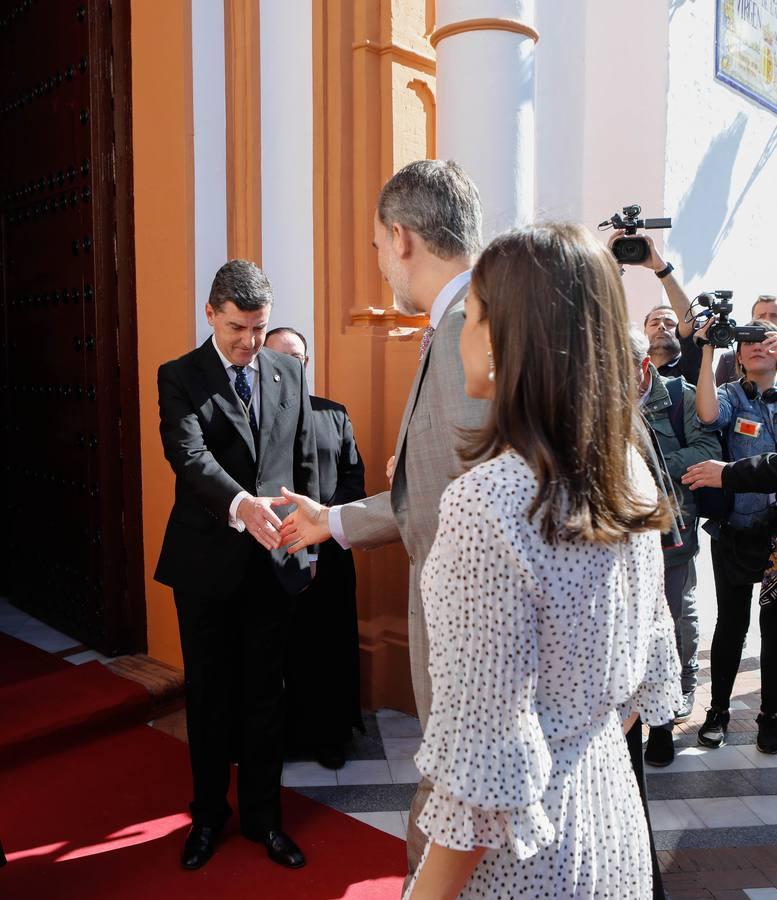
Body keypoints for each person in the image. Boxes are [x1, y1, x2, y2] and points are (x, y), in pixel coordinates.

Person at [392, 223, 678, 898]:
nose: (459, 329)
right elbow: (642, 682)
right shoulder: (628, 470)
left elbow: (482, 785)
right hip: (612, 828)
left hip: (528, 861)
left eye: (473, 314)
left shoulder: (487, 503)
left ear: (500, 340)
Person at [271, 159, 489, 881]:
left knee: (451, 802)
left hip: (468, 624)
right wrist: (332, 520)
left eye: (373, 244)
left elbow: (458, 493)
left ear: (400, 238)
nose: (377, 261)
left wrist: (332, 521)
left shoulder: (467, 331)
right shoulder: (470, 318)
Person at [155, 260, 319, 870]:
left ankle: (265, 819)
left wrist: (310, 539)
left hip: (274, 563)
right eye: (237, 329)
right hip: (206, 567)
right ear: (210, 313)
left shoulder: (285, 370)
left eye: (258, 328)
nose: (249, 343)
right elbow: (188, 457)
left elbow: (303, 461)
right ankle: (206, 818)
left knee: (264, 698)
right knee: (209, 698)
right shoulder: (180, 376)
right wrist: (240, 504)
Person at [264, 326, 366, 770]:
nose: (289, 366)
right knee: (276, 651)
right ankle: (278, 738)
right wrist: (288, 539)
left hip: (331, 553)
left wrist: (322, 528)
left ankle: (330, 737)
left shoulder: (335, 415)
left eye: (297, 358)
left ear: (306, 364)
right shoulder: (253, 422)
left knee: (328, 648)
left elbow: (353, 480)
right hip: (273, 554)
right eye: (279, 358)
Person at [685, 316, 777, 754]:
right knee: (732, 624)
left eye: (767, 339)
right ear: (737, 354)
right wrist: (705, 348)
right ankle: (718, 710)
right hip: (735, 531)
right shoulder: (731, 395)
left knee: (776, 626)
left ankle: (770, 715)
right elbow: (706, 414)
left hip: (776, 537)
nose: (758, 345)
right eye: (749, 340)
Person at [631, 328, 721, 767]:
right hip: (622, 531)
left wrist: (652, 463)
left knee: (669, 619)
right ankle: (634, 720)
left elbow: (708, 444)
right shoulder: (597, 397)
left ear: (644, 366)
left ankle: (663, 720)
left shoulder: (680, 396)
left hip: (673, 524)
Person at [610, 231, 701, 383]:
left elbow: (691, 323)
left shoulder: (689, 365)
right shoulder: (629, 368)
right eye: (654, 323)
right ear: (644, 331)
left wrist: (661, 268)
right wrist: (610, 268)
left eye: (670, 323)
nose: (661, 327)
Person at [716, 295, 777, 386]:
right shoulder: (729, 359)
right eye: (761, 316)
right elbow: (716, 397)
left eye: (774, 316)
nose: (767, 320)